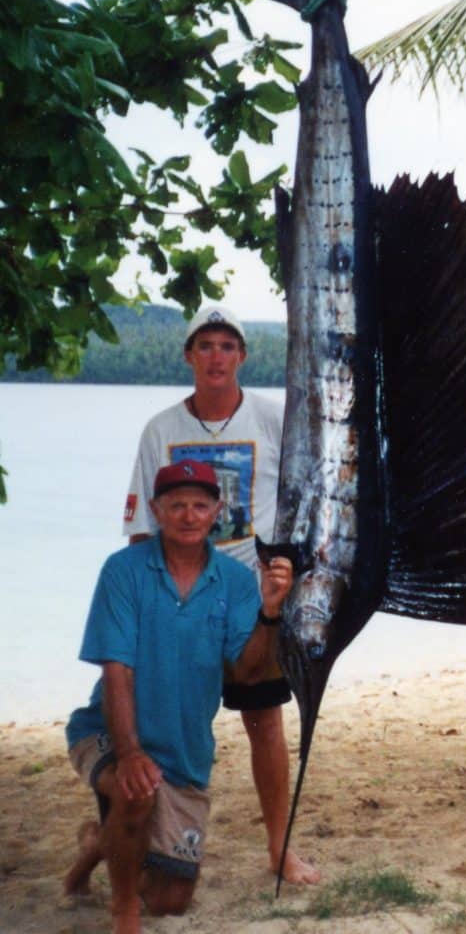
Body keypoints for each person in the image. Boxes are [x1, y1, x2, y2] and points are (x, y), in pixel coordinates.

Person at [122, 305, 320, 885]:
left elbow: (305, 501)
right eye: (204, 346)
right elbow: (140, 529)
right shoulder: (162, 430)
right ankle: (156, 841)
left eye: (226, 346)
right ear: (189, 356)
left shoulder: (272, 419)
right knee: (169, 727)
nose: (215, 356)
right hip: (183, 597)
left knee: (266, 722)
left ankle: (279, 847)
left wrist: (289, 577)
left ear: (242, 356)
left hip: (254, 600)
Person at [64, 460, 294, 933]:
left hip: (185, 753)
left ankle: (97, 845)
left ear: (217, 512)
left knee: (171, 901)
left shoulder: (233, 580)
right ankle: (123, 913)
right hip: (105, 731)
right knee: (135, 790)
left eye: (199, 505)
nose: (188, 516)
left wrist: (270, 612)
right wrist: (128, 753)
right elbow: (116, 671)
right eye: (176, 505)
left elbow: (249, 671)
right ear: (155, 510)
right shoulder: (122, 571)